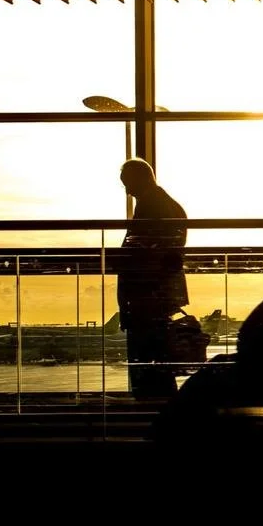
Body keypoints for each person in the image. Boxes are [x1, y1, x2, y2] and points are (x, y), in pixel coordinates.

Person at [116, 158, 189, 398]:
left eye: (128, 183)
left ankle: (152, 415)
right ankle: (160, 414)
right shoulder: (166, 205)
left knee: (147, 366)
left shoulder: (154, 207)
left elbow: (150, 253)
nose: (127, 190)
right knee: (158, 367)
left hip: (146, 298)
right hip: (155, 297)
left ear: (142, 178)